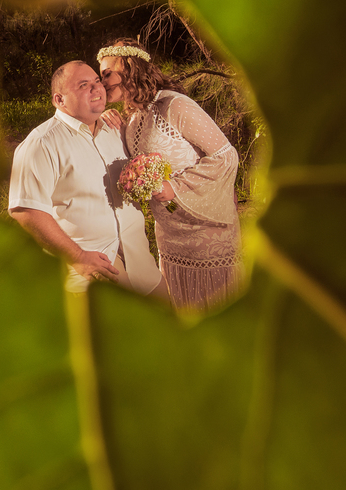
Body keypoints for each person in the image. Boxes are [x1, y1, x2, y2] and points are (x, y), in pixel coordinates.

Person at [98, 40, 243, 310]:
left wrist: (174, 187)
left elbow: (225, 155)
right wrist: (115, 129)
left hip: (204, 233)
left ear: (129, 67)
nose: (102, 81)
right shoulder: (131, 118)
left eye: (107, 73)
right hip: (169, 237)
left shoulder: (175, 106)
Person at [8, 60, 168, 299]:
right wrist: (78, 257)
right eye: (84, 85)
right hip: (92, 266)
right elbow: (25, 209)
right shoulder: (41, 143)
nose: (97, 89)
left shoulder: (114, 129)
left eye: (97, 81)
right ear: (59, 100)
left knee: (171, 325)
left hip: (140, 259)